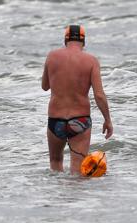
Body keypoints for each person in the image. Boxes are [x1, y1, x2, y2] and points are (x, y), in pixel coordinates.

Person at [41, 25, 113, 175]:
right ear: (84, 41)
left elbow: (45, 86)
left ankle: (54, 197)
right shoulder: (91, 61)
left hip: (56, 120)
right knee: (78, 170)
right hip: (80, 121)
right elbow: (99, 95)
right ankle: (77, 198)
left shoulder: (52, 56)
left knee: (55, 162)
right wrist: (107, 120)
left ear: (65, 39)